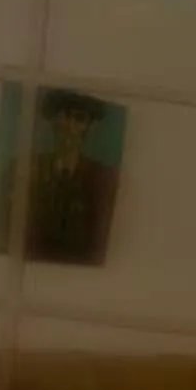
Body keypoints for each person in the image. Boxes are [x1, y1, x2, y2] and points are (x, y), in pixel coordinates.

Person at [23, 88, 120, 265]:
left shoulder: (103, 178)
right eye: (64, 116)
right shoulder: (27, 169)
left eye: (79, 119)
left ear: (89, 127)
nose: (70, 127)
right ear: (53, 121)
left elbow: (102, 242)